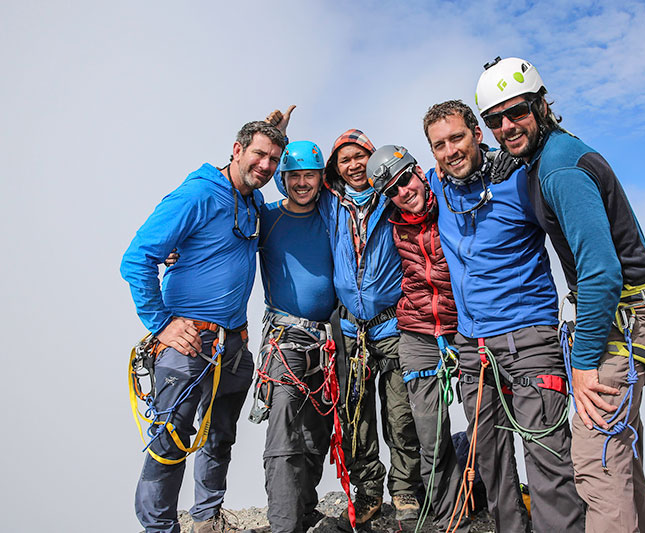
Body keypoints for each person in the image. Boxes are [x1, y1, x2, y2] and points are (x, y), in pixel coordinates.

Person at [474, 56, 645, 533]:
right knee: (619, 446)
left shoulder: (558, 169)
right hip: (625, 311)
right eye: (495, 119)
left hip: (614, 321)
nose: (507, 126)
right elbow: (607, 229)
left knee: (596, 461)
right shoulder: (551, 155)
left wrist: (584, 365)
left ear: (542, 105)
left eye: (517, 111)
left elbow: (601, 271)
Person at [422, 98, 585, 532]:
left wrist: (642, 255)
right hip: (474, 349)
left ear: (477, 134)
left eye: (457, 137)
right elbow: (381, 186)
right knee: (490, 461)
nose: (450, 150)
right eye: (439, 145)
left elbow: (581, 221)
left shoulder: (520, 179)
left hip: (530, 338)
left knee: (548, 458)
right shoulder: (436, 186)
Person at [121, 120, 285, 533]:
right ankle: (159, 528)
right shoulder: (198, 193)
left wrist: (271, 127)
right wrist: (161, 325)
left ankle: (207, 518)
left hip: (232, 345)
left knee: (219, 437)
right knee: (171, 440)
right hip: (188, 344)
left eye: (273, 159)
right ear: (236, 149)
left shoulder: (251, 199)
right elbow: (137, 257)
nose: (265, 165)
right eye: (258, 153)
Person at [316, 128, 422, 525]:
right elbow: (290, 181)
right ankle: (369, 490)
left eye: (360, 156)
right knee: (354, 414)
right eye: (345, 160)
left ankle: (406, 489)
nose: (354, 165)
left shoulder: (390, 196)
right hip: (349, 330)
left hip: (392, 324)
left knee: (400, 413)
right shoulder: (330, 202)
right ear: (336, 168)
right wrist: (277, 129)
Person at [365, 145, 470, 533]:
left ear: (419, 171)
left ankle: (490, 501)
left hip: (467, 327)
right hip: (417, 331)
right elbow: (333, 195)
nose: (403, 191)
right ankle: (447, 519)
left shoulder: (451, 195)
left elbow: (479, 160)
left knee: (484, 428)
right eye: (391, 189)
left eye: (405, 179)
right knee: (430, 433)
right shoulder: (391, 221)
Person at [248, 139, 337, 533]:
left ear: (321, 178)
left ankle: (302, 509)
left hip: (328, 340)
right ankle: (284, 523)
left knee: (318, 429)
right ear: (283, 180)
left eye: (310, 176)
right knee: (284, 424)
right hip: (284, 337)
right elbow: (225, 204)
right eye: (295, 176)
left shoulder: (332, 215)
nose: (302, 183)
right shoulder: (267, 217)